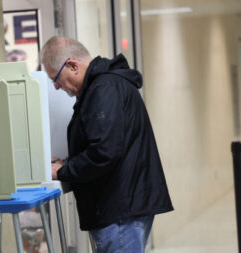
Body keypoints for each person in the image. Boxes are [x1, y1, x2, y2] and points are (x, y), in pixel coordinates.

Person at [40, 36, 173, 253]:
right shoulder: (106, 85)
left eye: (56, 78)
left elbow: (104, 152)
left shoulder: (103, 89)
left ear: (72, 65)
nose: (56, 87)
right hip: (124, 207)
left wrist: (64, 170)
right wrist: (68, 161)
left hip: (119, 210)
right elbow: (107, 145)